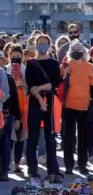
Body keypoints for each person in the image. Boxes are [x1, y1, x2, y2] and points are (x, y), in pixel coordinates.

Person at [24, 34, 60, 179]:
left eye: (45, 42)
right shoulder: (31, 63)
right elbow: (30, 85)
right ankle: (32, 170)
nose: (42, 45)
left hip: (50, 100)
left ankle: (53, 169)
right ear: (35, 44)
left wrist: (40, 91)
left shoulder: (53, 63)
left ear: (50, 45)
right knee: (32, 136)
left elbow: (55, 83)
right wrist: (40, 99)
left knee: (50, 137)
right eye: (40, 42)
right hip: (35, 101)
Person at [60, 40, 93, 174]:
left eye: (79, 49)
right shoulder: (65, 65)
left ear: (84, 51)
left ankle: (82, 165)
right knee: (68, 138)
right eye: (74, 49)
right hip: (68, 106)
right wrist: (64, 71)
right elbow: (59, 82)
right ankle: (68, 166)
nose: (76, 51)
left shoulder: (89, 66)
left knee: (83, 138)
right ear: (70, 51)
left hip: (84, 106)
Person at [6, 45, 27, 174]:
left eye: (18, 57)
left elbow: (30, 87)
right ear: (9, 56)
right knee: (9, 138)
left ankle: (17, 164)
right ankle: (7, 162)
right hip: (11, 107)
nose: (15, 59)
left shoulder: (26, 69)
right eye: (13, 56)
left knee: (20, 138)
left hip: (23, 106)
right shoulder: (5, 70)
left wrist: (22, 81)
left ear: (22, 57)